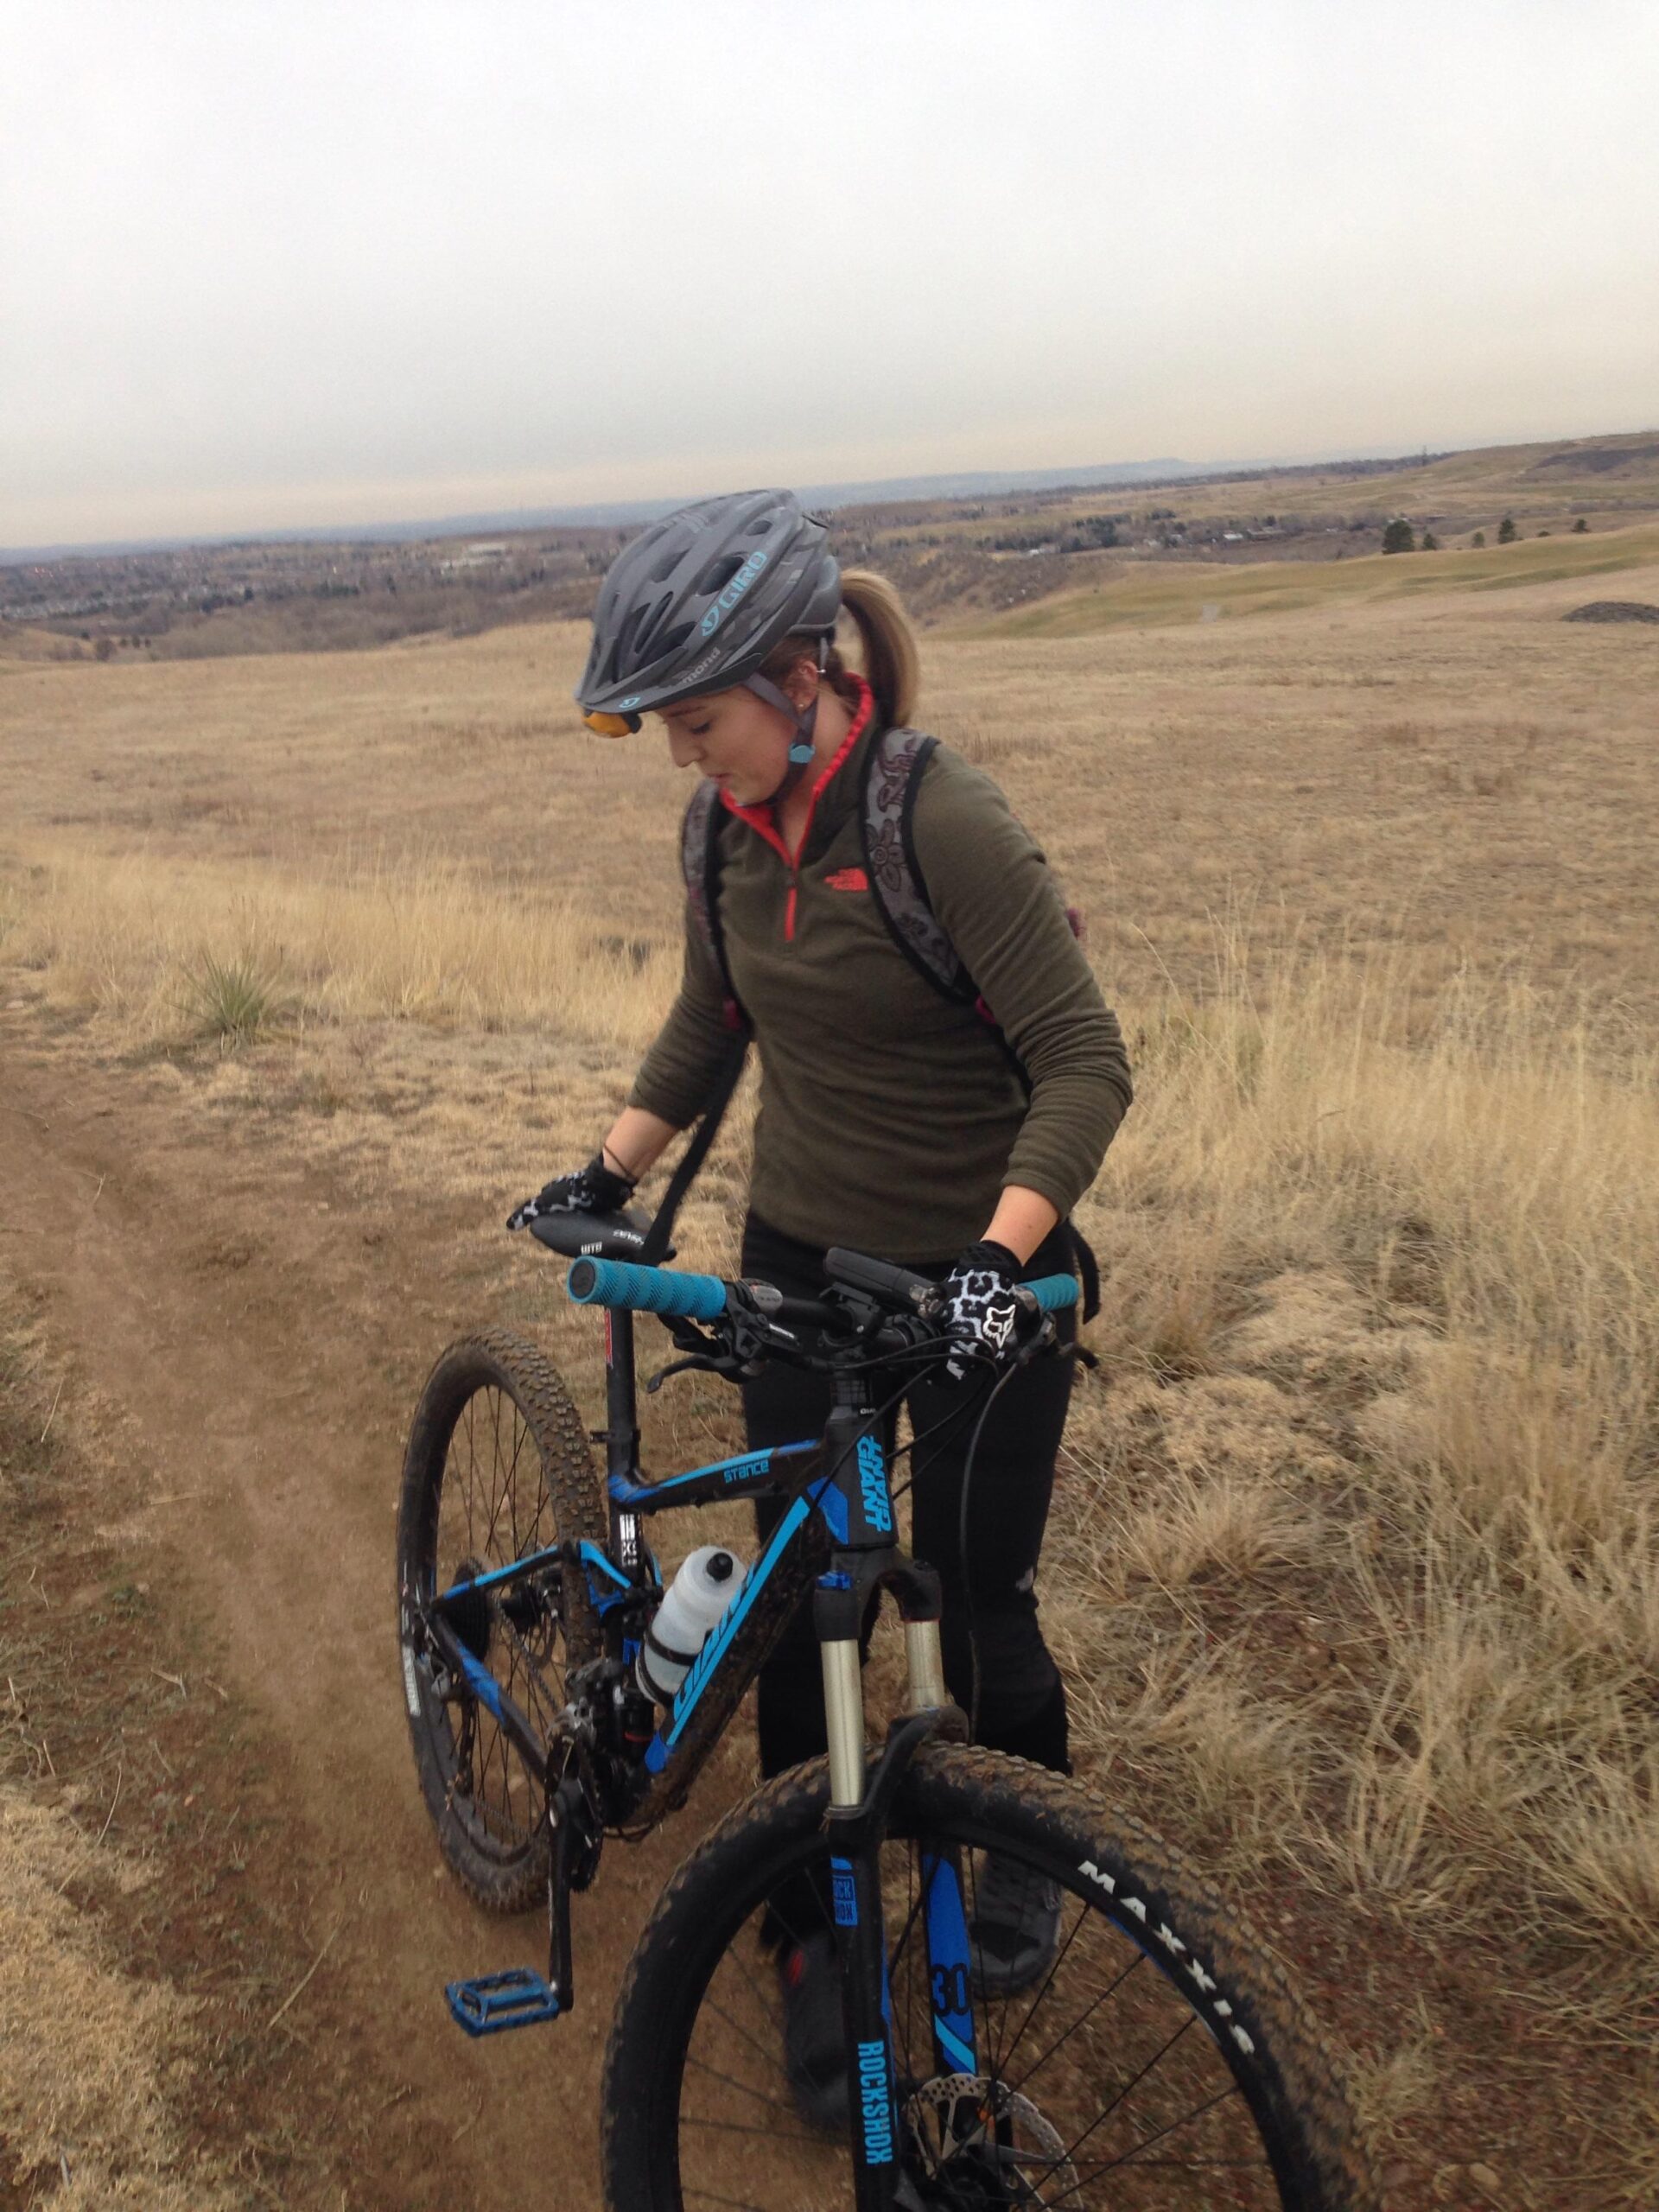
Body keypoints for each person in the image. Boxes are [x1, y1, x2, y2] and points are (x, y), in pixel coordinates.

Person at [510, 489, 1132, 2122]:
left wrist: (994, 1265)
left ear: (800, 681)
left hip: (982, 1266)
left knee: (975, 1593)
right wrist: (606, 1168)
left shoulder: (943, 821)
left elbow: (1084, 1059)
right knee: (802, 1596)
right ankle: (812, 1924)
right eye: (662, 726)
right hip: (801, 1266)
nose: (680, 753)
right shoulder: (722, 827)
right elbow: (711, 1018)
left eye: (697, 719)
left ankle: (1020, 1843)